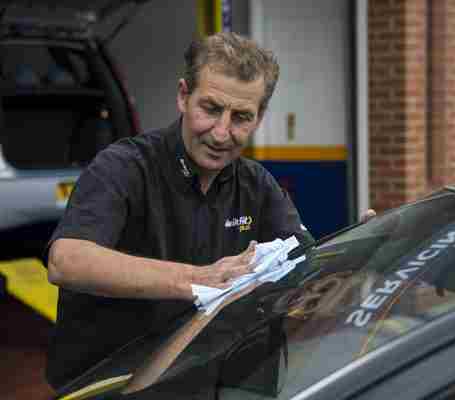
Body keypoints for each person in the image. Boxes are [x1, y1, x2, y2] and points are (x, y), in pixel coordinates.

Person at [44, 32, 374, 390]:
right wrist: (197, 279)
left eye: (241, 117)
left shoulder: (256, 184)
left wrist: (359, 251)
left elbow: (305, 270)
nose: (221, 133)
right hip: (113, 386)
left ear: (259, 118)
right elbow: (67, 261)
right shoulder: (123, 167)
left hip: (213, 382)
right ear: (184, 96)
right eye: (212, 109)